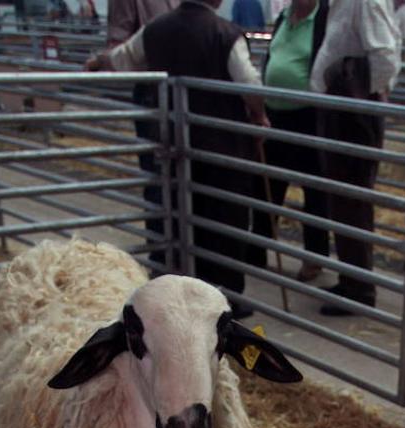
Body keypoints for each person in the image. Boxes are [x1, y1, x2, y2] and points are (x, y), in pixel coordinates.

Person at [87, 0, 269, 317]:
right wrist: (259, 114)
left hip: (171, 140)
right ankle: (225, 299)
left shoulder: (156, 28)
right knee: (225, 220)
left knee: (178, 214)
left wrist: (97, 62)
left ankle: (179, 292)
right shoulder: (225, 33)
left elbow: (121, 59)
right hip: (221, 145)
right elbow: (250, 83)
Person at [309, 0, 401, 315]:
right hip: (340, 108)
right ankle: (351, 278)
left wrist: (369, 103)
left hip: (353, 111)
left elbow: (384, 53)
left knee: (353, 200)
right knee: (342, 200)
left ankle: (360, 288)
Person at [254, 0, 331, 283]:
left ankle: (314, 258)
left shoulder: (324, 18)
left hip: (308, 116)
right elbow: (271, 59)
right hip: (275, 114)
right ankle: (258, 247)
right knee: (267, 184)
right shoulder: (284, 17)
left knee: (314, 190)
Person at [105, 0, 177, 268]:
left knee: (187, 176)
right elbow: (118, 46)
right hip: (153, 92)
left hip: (186, 93)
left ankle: (183, 252)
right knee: (158, 177)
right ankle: (162, 256)